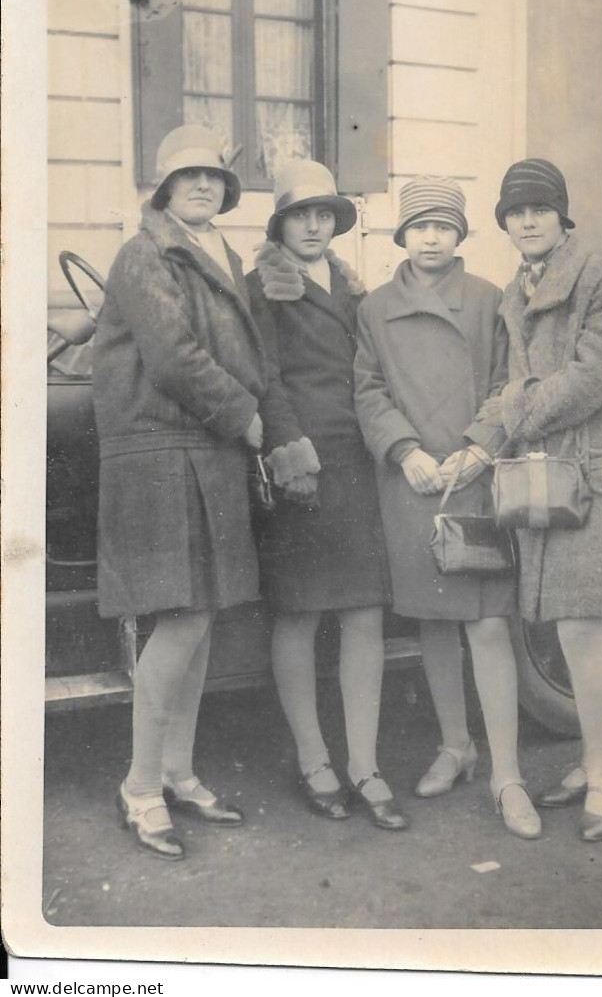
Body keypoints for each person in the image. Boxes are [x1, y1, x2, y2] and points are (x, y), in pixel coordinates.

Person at [93, 124, 267, 860]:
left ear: (225, 191)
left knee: (201, 625)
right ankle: (139, 787)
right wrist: (246, 413)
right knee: (184, 621)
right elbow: (171, 357)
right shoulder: (143, 253)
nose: (201, 185)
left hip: (205, 450)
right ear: (164, 187)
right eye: (186, 176)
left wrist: (242, 420)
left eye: (212, 177)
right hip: (163, 453)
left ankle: (177, 770)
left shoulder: (212, 253)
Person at [354, 176, 542, 840]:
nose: (430, 237)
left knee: (487, 625)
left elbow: (507, 385)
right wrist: (402, 450)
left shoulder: (489, 300)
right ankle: (455, 745)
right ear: (400, 235)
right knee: (433, 622)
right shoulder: (374, 308)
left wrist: (480, 447)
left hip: (474, 477)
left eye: (443, 226)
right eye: (418, 226)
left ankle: (506, 773)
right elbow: (368, 389)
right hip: (412, 483)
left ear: (460, 234)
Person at [485, 158, 602, 841]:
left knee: (582, 627)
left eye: (538, 210)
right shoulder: (513, 287)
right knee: (569, 627)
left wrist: (514, 411)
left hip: (598, 473)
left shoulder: (597, 276)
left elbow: (594, 375)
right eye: (514, 212)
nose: (526, 221)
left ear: (562, 216)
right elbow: (514, 380)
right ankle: (592, 761)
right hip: (550, 475)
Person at [246, 160, 406, 831]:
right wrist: (291, 455)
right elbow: (264, 379)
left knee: (364, 613)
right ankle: (314, 759)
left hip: (355, 459)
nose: (313, 225)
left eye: (324, 215)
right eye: (300, 214)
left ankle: (364, 765)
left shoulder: (350, 285)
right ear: (279, 222)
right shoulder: (261, 287)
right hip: (301, 466)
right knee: (301, 614)